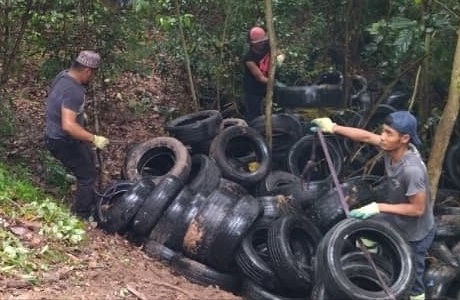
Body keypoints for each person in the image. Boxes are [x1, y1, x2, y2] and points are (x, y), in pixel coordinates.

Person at [311, 111, 434, 300]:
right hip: (395, 218)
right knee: (365, 226)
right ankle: (375, 263)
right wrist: (332, 127)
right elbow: (367, 136)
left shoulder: (412, 170)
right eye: (383, 131)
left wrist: (378, 207)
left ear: (405, 138)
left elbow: (418, 209)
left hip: (415, 232)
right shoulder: (391, 147)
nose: (382, 137)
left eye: (388, 133)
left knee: (413, 281)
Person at [44, 50, 109, 219]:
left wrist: (80, 115)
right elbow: (68, 126)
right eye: (92, 74)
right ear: (87, 70)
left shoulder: (63, 76)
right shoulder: (75, 91)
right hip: (62, 140)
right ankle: (81, 216)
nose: (91, 78)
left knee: (89, 161)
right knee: (87, 175)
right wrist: (93, 138)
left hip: (54, 133)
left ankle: (92, 201)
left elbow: (60, 101)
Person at [242, 26, 284, 121]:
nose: (261, 44)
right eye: (258, 43)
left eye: (262, 41)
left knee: (281, 103)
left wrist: (279, 59)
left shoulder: (268, 46)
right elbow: (260, 77)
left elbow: (279, 53)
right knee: (254, 114)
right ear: (252, 44)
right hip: (253, 88)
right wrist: (274, 83)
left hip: (268, 84)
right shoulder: (249, 58)